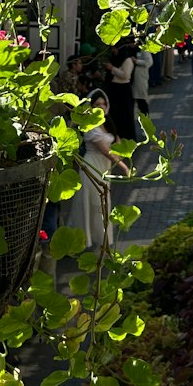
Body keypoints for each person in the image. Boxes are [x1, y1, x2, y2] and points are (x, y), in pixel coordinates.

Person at [68, 88, 130, 248]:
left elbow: (117, 143)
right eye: (97, 104)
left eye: (103, 104)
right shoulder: (89, 126)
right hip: (92, 167)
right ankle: (92, 239)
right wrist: (124, 167)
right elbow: (105, 150)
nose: (101, 107)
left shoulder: (107, 122)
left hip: (105, 169)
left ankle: (100, 239)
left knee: (102, 203)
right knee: (94, 204)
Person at [103, 39, 137, 141]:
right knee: (116, 114)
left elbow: (126, 75)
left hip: (123, 90)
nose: (114, 51)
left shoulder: (127, 60)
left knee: (124, 114)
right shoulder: (116, 58)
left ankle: (127, 137)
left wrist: (112, 68)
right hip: (114, 89)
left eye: (115, 49)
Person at [132, 45, 153, 122]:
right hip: (133, 80)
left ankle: (146, 125)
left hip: (140, 80)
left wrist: (136, 61)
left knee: (142, 103)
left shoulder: (143, 49)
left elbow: (149, 62)